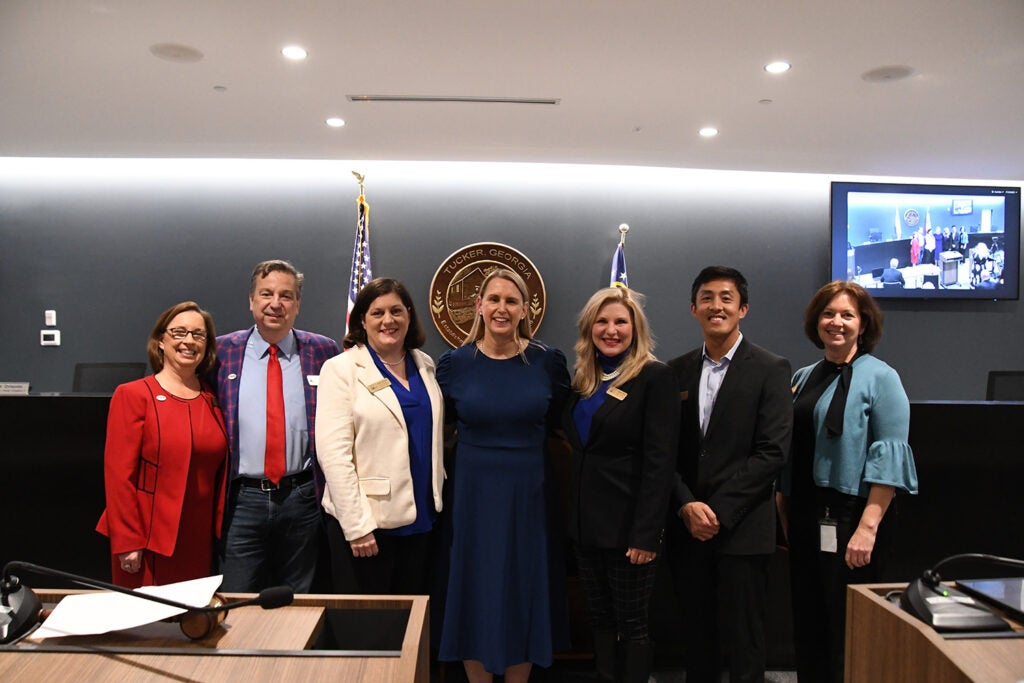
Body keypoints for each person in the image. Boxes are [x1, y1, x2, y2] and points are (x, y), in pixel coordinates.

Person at [777, 280, 918, 683]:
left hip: (853, 517)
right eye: (828, 313)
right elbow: (790, 449)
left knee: (849, 624)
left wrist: (867, 528)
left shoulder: (882, 378)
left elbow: (889, 457)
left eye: (847, 315)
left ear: (864, 323)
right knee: (808, 621)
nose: (835, 322)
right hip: (805, 515)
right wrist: (785, 511)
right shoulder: (804, 377)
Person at [437, 268, 570, 683]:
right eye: (493, 299)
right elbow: (444, 424)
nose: (501, 308)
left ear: (524, 310)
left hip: (529, 492)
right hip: (473, 493)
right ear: (478, 306)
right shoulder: (454, 364)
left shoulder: (548, 362)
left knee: (522, 586)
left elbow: (560, 422)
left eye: (511, 301)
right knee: (474, 587)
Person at [665, 266, 793, 683]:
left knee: (745, 643)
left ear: (743, 309)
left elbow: (772, 452)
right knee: (696, 638)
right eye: (706, 297)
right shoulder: (675, 371)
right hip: (689, 529)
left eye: (725, 297)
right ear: (693, 308)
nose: (715, 305)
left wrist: (715, 511)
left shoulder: (771, 368)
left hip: (743, 528)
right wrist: (686, 505)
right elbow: (665, 452)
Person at [563, 287, 678, 682]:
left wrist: (647, 534)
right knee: (598, 618)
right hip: (585, 528)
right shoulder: (582, 382)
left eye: (620, 322)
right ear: (589, 327)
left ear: (636, 328)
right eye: (603, 321)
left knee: (632, 622)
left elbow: (660, 463)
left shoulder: (655, 378)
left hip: (630, 531)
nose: (611, 330)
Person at [212, 259, 341, 593]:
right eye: (266, 294)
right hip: (243, 500)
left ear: (297, 304)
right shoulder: (221, 352)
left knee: (301, 601)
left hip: (302, 497)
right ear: (251, 300)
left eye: (286, 295)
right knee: (235, 599)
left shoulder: (323, 351)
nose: (275, 304)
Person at [315, 278, 444, 594]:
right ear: (362, 319)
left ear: (409, 315)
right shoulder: (341, 369)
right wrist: (357, 526)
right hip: (371, 525)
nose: (389, 320)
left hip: (422, 515)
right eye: (378, 313)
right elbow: (334, 455)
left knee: (413, 624)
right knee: (371, 628)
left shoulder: (423, 363)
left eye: (397, 311)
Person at [96, 301, 227, 588]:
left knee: (191, 625)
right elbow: (119, 477)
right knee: (146, 628)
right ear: (160, 341)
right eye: (179, 332)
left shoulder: (212, 398)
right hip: (148, 541)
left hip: (199, 540)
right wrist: (128, 540)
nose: (189, 341)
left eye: (198, 334)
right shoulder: (133, 395)